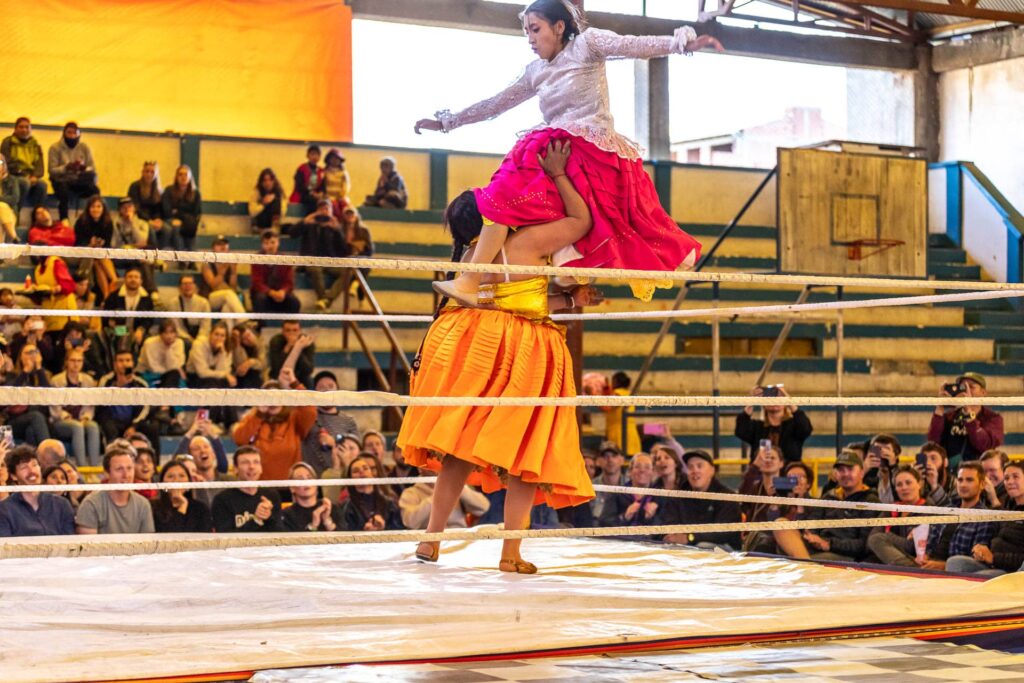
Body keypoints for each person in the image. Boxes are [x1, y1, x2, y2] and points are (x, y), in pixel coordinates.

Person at [416, 1, 718, 304]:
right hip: (556, 151)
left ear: (559, 27)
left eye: (535, 30)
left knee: (505, 189)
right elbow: (496, 104)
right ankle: (493, 276)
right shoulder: (535, 71)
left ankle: (474, 279)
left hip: (590, 152)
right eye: (526, 33)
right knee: (505, 195)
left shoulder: (587, 44)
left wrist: (681, 43)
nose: (530, 39)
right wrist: (447, 122)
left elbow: (632, 45)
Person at [396, 141, 598, 573]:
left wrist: (570, 300)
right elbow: (581, 221)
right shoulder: (526, 241)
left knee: (460, 447)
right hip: (523, 349)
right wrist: (560, 174)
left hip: (476, 344)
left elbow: (511, 299)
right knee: (527, 449)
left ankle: (431, 540)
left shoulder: (473, 255)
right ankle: (510, 552)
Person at [773, 449, 881, 562]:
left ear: (862, 473)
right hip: (816, 547)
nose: (845, 474)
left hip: (841, 554)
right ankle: (805, 563)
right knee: (780, 523)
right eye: (841, 470)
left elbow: (864, 544)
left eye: (850, 469)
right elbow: (812, 523)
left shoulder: (871, 502)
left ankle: (804, 564)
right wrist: (811, 536)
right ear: (836, 474)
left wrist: (829, 544)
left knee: (787, 556)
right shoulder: (829, 497)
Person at [231, 369, 317, 482]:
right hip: (260, 486)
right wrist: (259, 414)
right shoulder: (253, 418)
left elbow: (310, 411)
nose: (273, 399)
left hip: (290, 485)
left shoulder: (294, 419)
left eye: (276, 395)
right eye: (268, 396)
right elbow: (240, 439)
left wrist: (294, 384)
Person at [946, 461, 1024, 576]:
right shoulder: (1008, 505)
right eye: (1006, 478)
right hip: (996, 564)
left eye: (1016, 477)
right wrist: (981, 550)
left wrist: (993, 558)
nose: (1010, 482)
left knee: (982, 577)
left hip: (1013, 570)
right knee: (955, 562)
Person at [662, 450, 742, 551]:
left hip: (724, 551)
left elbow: (723, 533)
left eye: (699, 466)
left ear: (712, 470)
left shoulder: (727, 497)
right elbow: (669, 522)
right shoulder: (678, 496)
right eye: (690, 467)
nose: (695, 470)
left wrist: (690, 537)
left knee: (703, 546)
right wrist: (672, 536)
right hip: (686, 548)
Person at [929, 373, 1004, 470]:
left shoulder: (993, 418)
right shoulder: (950, 416)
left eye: (971, 387)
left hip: (980, 473)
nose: (966, 391)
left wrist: (969, 413)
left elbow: (984, 445)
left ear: (983, 393)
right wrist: (940, 407)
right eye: (963, 387)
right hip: (952, 472)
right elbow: (933, 442)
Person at [0, 446, 76, 537]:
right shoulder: (4, 509)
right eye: (24, 467)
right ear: (13, 476)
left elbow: (70, 545)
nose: (31, 471)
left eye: (34, 465)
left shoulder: (62, 505)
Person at [75, 449, 155, 534]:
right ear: (106, 473)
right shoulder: (91, 504)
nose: (126, 475)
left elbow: (148, 544)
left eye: (129, 468)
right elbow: (88, 545)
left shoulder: (143, 504)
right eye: (119, 469)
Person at [289, 199, 349, 311]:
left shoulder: (334, 228)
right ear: (317, 211)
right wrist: (304, 222)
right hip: (311, 260)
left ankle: (326, 300)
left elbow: (344, 251)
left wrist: (337, 231)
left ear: (331, 212)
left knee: (348, 272)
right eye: (321, 209)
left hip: (330, 262)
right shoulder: (310, 224)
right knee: (315, 269)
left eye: (327, 209)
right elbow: (292, 233)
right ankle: (323, 299)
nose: (324, 211)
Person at [866, 466, 930, 567]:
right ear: (895, 489)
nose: (904, 487)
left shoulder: (928, 510)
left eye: (908, 483)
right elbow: (871, 540)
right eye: (899, 484)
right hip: (891, 560)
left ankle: (911, 570)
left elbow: (912, 547)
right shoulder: (891, 510)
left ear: (919, 484)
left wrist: (887, 535)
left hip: (917, 562)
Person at [300, 370, 359, 476]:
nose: (327, 390)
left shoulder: (349, 421)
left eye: (331, 386)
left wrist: (334, 443)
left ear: (338, 390)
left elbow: (356, 452)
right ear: (315, 392)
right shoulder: (308, 417)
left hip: (342, 478)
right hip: (312, 480)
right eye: (321, 387)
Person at [49, 348, 101, 466]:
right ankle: (81, 468)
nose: (76, 364)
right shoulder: (56, 381)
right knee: (77, 426)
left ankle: (94, 468)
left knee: (93, 426)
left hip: (81, 418)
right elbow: (55, 408)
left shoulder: (88, 380)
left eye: (79, 361)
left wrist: (86, 417)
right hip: (60, 421)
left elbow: (90, 405)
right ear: (66, 362)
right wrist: (66, 416)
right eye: (73, 360)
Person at [211, 446, 282, 532]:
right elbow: (225, 539)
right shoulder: (222, 500)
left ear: (261, 468)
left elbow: (280, 533)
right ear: (235, 469)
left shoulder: (272, 495)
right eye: (245, 462)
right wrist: (256, 520)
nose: (251, 467)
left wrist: (269, 516)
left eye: (256, 462)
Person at [735, 384, 812, 463]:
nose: (774, 401)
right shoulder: (757, 427)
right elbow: (741, 430)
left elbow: (805, 428)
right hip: (762, 472)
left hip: (788, 472)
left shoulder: (794, 425)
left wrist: (789, 400)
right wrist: (752, 400)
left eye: (778, 398)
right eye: (770, 398)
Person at [96, 350, 157, 445]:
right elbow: (101, 406)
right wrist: (118, 386)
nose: (124, 364)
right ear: (114, 364)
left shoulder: (140, 384)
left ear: (133, 363)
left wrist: (134, 426)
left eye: (128, 360)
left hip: (132, 421)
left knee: (152, 428)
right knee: (109, 428)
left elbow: (145, 409)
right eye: (120, 360)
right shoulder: (106, 381)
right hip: (112, 420)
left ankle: (152, 459)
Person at [399, 471, 490, 530]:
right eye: (430, 460)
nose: (436, 465)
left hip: (459, 538)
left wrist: (459, 488)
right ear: (420, 468)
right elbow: (409, 522)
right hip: (427, 540)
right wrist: (437, 497)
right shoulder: (411, 493)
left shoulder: (454, 488)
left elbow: (484, 507)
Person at [186, 322, 236, 426]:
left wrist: (222, 353)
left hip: (214, 380)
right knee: (214, 387)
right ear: (210, 334)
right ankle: (209, 422)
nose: (219, 338)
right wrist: (224, 375)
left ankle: (231, 423)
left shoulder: (226, 348)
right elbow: (202, 372)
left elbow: (224, 371)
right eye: (216, 334)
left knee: (227, 388)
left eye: (222, 335)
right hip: (195, 378)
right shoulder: (199, 344)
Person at [48, 122, 99, 221]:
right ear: (64, 134)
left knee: (95, 190)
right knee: (63, 191)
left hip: (79, 179)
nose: (72, 136)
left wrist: (83, 168)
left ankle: (94, 217)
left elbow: (92, 168)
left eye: (75, 133)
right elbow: (52, 170)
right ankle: (64, 219)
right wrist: (67, 167)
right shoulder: (55, 148)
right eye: (69, 133)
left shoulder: (84, 147)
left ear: (79, 134)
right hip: (62, 180)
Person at [339, 454, 404, 531]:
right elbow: (344, 533)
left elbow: (399, 530)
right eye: (356, 471)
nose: (361, 472)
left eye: (365, 468)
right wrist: (363, 532)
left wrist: (383, 528)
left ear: (372, 474)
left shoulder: (389, 503)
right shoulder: (346, 507)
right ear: (350, 479)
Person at [4, 342, 52, 446]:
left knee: (31, 430)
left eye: (35, 352)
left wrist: (39, 369)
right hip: (16, 421)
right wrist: (25, 371)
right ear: (20, 357)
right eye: (28, 352)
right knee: (36, 416)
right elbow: (10, 393)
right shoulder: (12, 374)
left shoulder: (44, 374)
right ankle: (49, 451)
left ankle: (39, 460)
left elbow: (49, 395)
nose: (32, 355)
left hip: (38, 421)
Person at [598, 453, 661, 532]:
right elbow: (603, 523)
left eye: (647, 467)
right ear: (630, 471)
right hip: (621, 542)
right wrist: (624, 517)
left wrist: (651, 518)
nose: (642, 470)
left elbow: (665, 527)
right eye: (637, 466)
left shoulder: (659, 496)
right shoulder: (617, 494)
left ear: (652, 472)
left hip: (650, 542)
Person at [74, 195, 118, 298]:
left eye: (99, 206)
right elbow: (78, 242)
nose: (96, 209)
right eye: (93, 207)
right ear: (88, 208)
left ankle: (106, 295)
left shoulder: (108, 222)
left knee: (98, 260)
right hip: (84, 252)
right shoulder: (81, 222)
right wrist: (90, 244)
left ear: (103, 208)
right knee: (96, 256)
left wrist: (100, 244)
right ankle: (114, 279)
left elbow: (107, 244)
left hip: (100, 255)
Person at [150, 460, 212, 533]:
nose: (176, 480)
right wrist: (182, 507)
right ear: (162, 483)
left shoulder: (201, 509)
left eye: (182, 476)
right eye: (170, 476)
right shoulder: (153, 508)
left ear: (189, 482)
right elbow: (169, 537)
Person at [250, 230, 301, 317]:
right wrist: (271, 292)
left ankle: (290, 325)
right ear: (262, 245)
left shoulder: (285, 260)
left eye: (273, 242)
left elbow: (289, 282)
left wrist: (283, 291)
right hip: (264, 295)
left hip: (281, 295)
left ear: (278, 243)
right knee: (260, 300)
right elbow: (257, 282)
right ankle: (260, 327)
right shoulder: (256, 259)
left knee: (294, 302)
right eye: (266, 243)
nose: (270, 246)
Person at [26, 249, 78, 334]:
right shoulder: (38, 270)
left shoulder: (56, 263)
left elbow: (69, 285)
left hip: (64, 312)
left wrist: (59, 288)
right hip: (49, 313)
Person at [282, 462, 344, 532]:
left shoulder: (332, 509)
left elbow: (346, 540)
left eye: (309, 478)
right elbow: (292, 542)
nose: (306, 482)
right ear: (292, 488)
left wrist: (328, 522)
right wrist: (313, 525)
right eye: (300, 479)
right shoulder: (287, 515)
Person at [1, 117, 48, 210]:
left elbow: (40, 165)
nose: (24, 130)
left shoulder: (35, 145)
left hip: (30, 177)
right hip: (13, 175)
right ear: (15, 129)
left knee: (42, 185)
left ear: (31, 129)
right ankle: (16, 212)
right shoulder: (8, 142)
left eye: (27, 127)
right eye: (21, 127)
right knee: (24, 182)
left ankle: (38, 215)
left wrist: (35, 176)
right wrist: (23, 174)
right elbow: (6, 163)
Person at [199, 236, 246, 320]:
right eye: (219, 244)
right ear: (213, 248)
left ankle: (227, 329)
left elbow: (233, 287)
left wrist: (233, 271)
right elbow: (213, 285)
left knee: (228, 308)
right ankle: (244, 320)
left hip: (227, 296)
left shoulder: (230, 262)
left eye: (225, 244)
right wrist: (222, 271)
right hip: (210, 296)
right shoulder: (207, 264)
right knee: (228, 294)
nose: (223, 247)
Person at [162, 164, 202, 252]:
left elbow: (196, 212)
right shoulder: (169, 190)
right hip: (171, 219)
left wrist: (177, 212)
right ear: (176, 176)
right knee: (177, 228)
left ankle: (192, 258)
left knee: (192, 227)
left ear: (190, 177)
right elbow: (167, 210)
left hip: (188, 220)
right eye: (180, 174)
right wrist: (176, 216)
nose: (183, 177)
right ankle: (181, 257)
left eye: (186, 174)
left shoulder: (195, 193)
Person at [268, 321, 315, 390]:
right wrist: (288, 347)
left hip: (300, 376)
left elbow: (308, 369)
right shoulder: (276, 341)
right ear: (283, 332)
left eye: (295, 330)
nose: (291, 333)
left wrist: (298, 347)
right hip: (279, 376)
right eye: (288, 330)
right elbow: (276, 368)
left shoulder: (306, 342)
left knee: (309, 380)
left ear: (300, 331)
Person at [603, 371, 640, 456]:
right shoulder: (628, 393)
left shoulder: (618, 393)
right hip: (631, 433)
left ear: (615, 381)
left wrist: (592, 396)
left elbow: (606, 407)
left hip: (619, 434)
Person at [127, 161, 164, 240]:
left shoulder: (158, 190)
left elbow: (158, 208)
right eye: (147, 171)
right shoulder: (135, 186)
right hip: (139, 217)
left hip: (154, 219)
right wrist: (149, 221)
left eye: (152, 172)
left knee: (167, 230)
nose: (149, 174)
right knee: (151, 231)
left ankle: (164, 251)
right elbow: (135, 207)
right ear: (143, 172)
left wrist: (158, 219)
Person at [169, 275, 212, 344]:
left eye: (190, 284)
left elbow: (206, 326)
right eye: (185, 284)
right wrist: (189, 339)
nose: (188, 286)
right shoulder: (174, 303)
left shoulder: (204, 302)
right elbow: (176, 326)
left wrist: (198, 340)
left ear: (195, 286)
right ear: (179, 287)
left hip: (200, 337)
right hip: (183, 337)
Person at [590, 443, 625, 521]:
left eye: (614, 456)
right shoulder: (590, 487)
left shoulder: (631, 485)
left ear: (622, 460)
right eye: (605, 456)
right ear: (598, 461)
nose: (610, 460)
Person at [229, 321, 266, 389]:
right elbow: (240, 367)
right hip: (242, 378)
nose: (248, 339)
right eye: (244, 339)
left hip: (260, 376)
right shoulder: (240, 347)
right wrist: (237, 343)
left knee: (252, 373)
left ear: (252, 331)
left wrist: (250, 362)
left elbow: (263, 364)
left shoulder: (261, 342)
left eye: (248, 335)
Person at [290, 144, 324, 216]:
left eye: (317, 154)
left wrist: (320, 193)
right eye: (312, 154)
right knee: (312, 200)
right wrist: (311, 193)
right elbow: (299, 185)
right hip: (303, 194)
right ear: (308, 155)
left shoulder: (321, 171)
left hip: (316, 195)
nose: (314, 157)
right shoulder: (302, 168)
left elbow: (323, 186)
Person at [249, 168, 286, 232]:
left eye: (270, 180)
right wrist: (263, 203)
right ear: (261, 182)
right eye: (265, 180)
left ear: (274, 181)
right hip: (260, 222)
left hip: (273, 221)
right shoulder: (256, 193)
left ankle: (274, 228)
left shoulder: (279, 193)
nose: (267, 183)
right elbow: (252, 212)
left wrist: (273, 200)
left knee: (276, 200)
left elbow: (282, 212)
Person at [320, 149, 351, 216]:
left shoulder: (343, 173)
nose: (335, 160)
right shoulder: (324, 172)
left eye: (337, 158)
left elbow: (346, 185)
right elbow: (322, 185)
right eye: (332, 158)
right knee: (333, 207)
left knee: (345, 207)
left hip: (341, 196)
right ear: (328, 160)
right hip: (328, 197)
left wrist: (341, 196)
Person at [0, 155, 21, 241]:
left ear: (4, 165)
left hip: (10, 212)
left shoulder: (12, 180)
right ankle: (13, 236)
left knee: (1, 206)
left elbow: (14, 199)